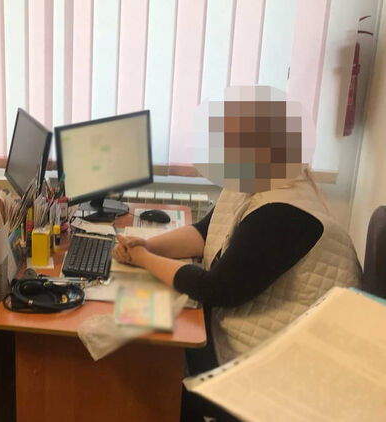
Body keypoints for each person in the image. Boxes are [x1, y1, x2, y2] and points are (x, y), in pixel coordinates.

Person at [113, 86, 361, 419]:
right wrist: (148, 245)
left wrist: (143, 260)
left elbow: (215, 289)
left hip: (287, 365)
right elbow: (205, 233)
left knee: (149, 373)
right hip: (258, 331)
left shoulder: (284, 213)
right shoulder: (258, 181)